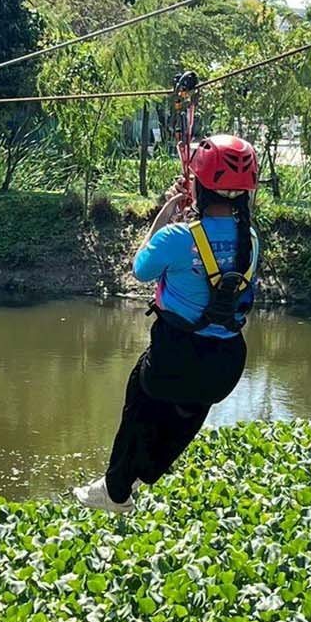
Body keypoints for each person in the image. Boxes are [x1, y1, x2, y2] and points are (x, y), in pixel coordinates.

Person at [74, 134, 260, 513]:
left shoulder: (178, 237)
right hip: (225, 363)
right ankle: (135, 477)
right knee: (184, 413)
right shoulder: (251, 241)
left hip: (175, 355)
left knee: (140, 403)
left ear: (200, 185)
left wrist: (167, 212)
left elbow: (141, 268)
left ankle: (115, 493)